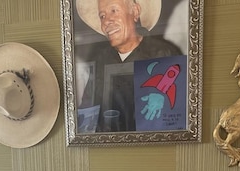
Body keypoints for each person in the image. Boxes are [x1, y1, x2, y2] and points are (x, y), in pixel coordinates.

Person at [76, 0, 182, 131]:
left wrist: (163, 98)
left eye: (114, 11)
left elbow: (179, 112)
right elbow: (87, 109)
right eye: (102, 16)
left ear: (135, 12)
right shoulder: (101, 60)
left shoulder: (164, 54)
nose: (106, 21)